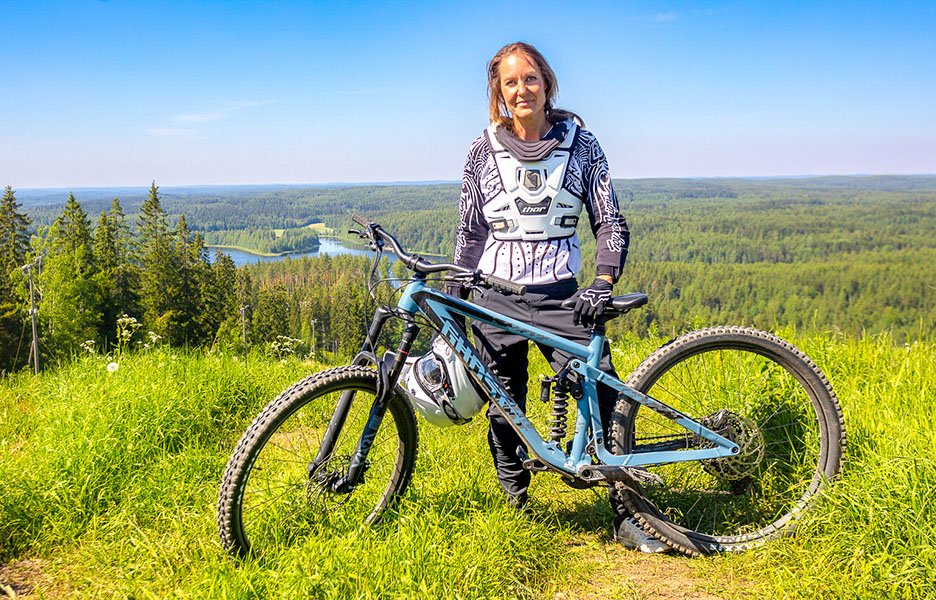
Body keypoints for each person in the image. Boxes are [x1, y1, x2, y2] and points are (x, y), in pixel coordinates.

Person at [448, 42, 667, 553]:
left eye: (530, 78)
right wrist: (457, 296)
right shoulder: (481, 150)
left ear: (546, 82)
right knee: (504, 405)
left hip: (561, 298)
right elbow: (470, 232)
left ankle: (628, 515)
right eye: (509, 82)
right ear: (498, 92)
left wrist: (603, 280)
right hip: (493, 296)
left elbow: (610, 221)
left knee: (604, 397)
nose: (521, 89)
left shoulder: (583, 146)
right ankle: (517, 511)